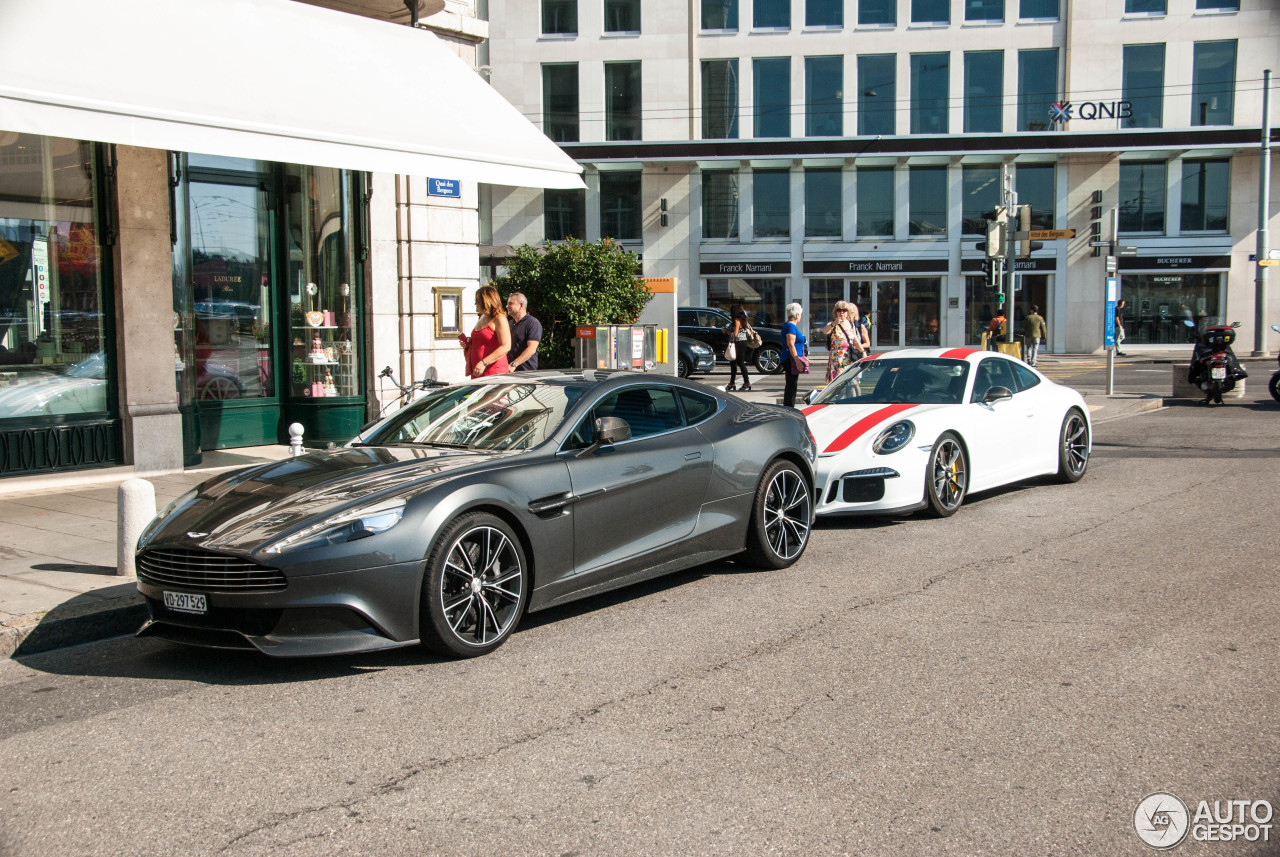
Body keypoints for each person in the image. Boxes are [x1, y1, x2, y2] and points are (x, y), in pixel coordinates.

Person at [458, 285, 511, 378]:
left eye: (477, 301)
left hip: (494, 372)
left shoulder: (499, 318)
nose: (475, 304)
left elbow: (506, 346)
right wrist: (469, 343)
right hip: (478, 372)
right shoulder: (483, 317)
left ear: (485, 302)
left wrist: (484, 362)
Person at [822, 300, 864, 384]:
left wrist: (863, 352)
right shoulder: (833, 324)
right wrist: (833, 324)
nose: (841, 312)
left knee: (851, 384)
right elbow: (825, 331)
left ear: (847, 312)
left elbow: (855, 340)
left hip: (849, 357)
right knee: (838, 385)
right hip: (837, 359)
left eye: (844, 310)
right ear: (835, 312)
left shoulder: (851, 324)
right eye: (839, 310)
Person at [505, 292, 542, 371]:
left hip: (526, 373)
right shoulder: (510, 323)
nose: (507, 306)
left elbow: (531, 348)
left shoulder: (532, 323)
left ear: (521, 305)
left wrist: (513, 364)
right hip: (509, 372)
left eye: (510, 303)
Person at [781, 302, 807, 408]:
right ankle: (789, 406)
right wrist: (797, 361)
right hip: (790, 359)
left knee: (792, 383)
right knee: (791, 384)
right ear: (796, 315)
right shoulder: (791, 327)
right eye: (800, 314)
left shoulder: (789, 326)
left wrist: (803, 357)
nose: (800, 317)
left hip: (791, 358)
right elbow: (791, 344)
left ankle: (789, 405)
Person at [725, 303, 753, 392]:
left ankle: (746, 382)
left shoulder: (737, 321)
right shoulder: (743, 319)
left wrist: (726, 331)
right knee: (733, 363)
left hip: (739, 343)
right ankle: (732, 382)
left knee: (740, 363)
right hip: (741, 342)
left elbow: (735, 334)